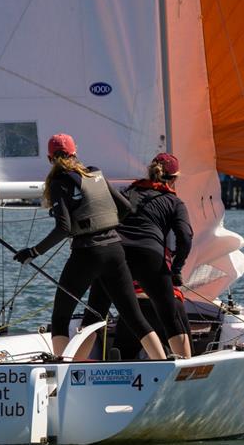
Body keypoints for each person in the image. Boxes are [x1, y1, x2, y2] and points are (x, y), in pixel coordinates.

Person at [13, 133, 167, 360]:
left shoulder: (59, 183)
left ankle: (61, 373)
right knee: (134, 317)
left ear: (49, 159)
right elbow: (125, 208)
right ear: (75, 153)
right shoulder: (96, 175)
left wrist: (33, 252)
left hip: (87, 254)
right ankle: (163, 364)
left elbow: (63, 229)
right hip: (115, 250)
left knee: (60, 318)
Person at [85, 152, 193, 358]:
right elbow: (185, 238)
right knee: (170, 317)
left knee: (94, 316)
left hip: (113, 251)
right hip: (149, 254)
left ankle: (71, 367)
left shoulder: (128, 192)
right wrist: (177, 270)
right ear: (175, 178)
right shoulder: (173, 201)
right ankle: (186, 370)